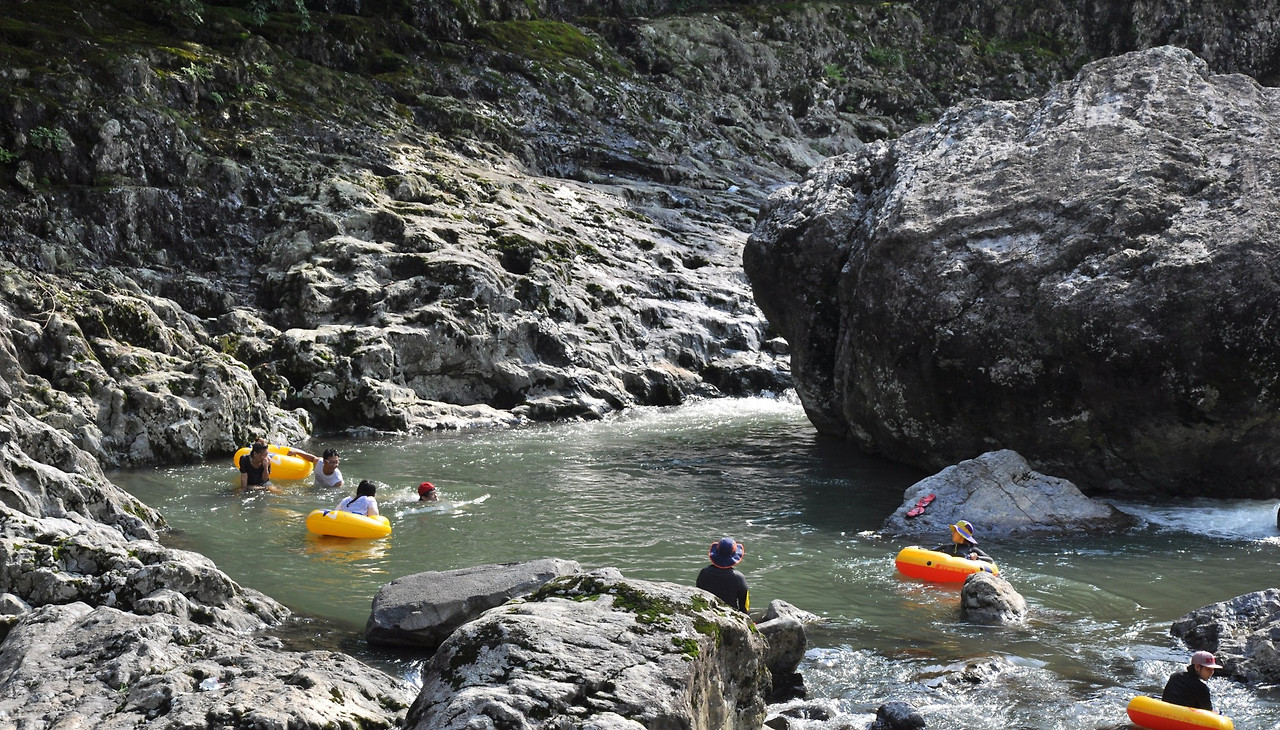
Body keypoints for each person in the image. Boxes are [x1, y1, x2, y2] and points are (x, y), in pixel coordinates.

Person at [696, 536, 749, 612]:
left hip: (707, 611)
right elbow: (744, 606)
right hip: (730, 614)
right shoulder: (739, 577)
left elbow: (698, 595)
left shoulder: (704, 572)